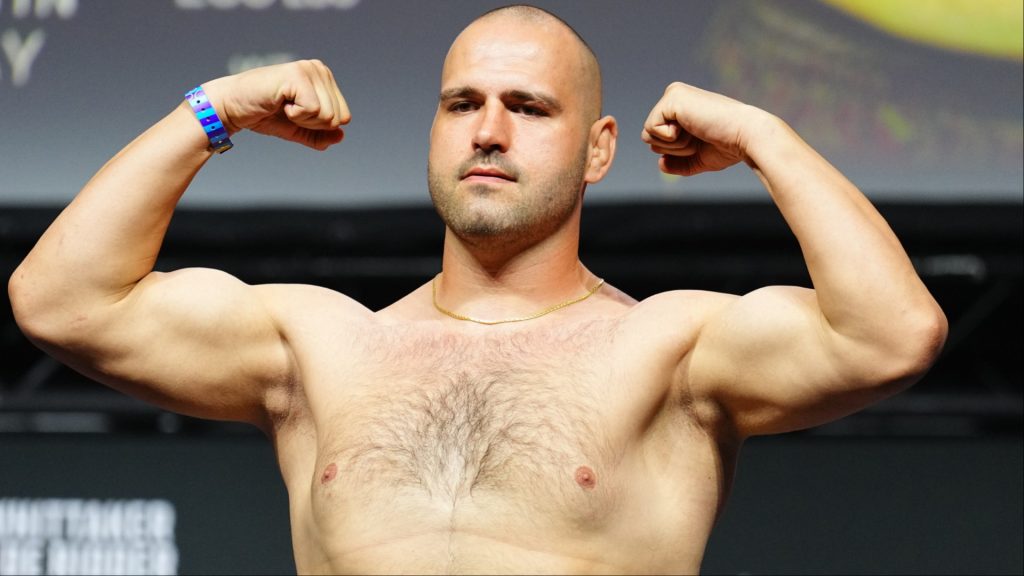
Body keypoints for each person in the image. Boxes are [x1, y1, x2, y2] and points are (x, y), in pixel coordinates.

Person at [8, 4, 947, 574]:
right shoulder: (323, 349)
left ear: (599, 149)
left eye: (529, 108)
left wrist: (764, 137)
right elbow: (62, 301)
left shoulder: (670, 351)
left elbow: (892, 335)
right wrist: (214, 108)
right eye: (463, 103)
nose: (488, 131)